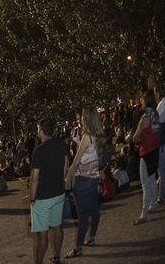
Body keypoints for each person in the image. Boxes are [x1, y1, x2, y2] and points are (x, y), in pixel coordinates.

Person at [64, 108, 105, 258]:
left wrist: (68, 177)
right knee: (94, 211)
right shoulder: (99, 136)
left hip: (83, 180)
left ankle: (78, 248)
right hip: (94, 178)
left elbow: (77, 160)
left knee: (82, 216)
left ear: (86, 119)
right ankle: (92, 238)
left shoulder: (87, 137)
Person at [30, 118, 68, 264]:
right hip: (58, 191)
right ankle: (57, 257)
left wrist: (32, 198)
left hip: (43, 196)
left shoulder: (39, 151)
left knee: (41, 234)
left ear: (41, 130)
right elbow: (65, 166)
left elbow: (35, 178)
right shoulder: (61, 144)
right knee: (57, 226)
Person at [132, 90, 160, 225]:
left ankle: (144, 214)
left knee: (145, 184)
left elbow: (135, 137)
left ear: (146, 101)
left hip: (146, 151)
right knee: (152, 179)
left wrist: (135, 133)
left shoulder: (144, 118)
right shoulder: (155, 113)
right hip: (155, 149)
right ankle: (153, 203)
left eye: (142, 100)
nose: (141, 103)